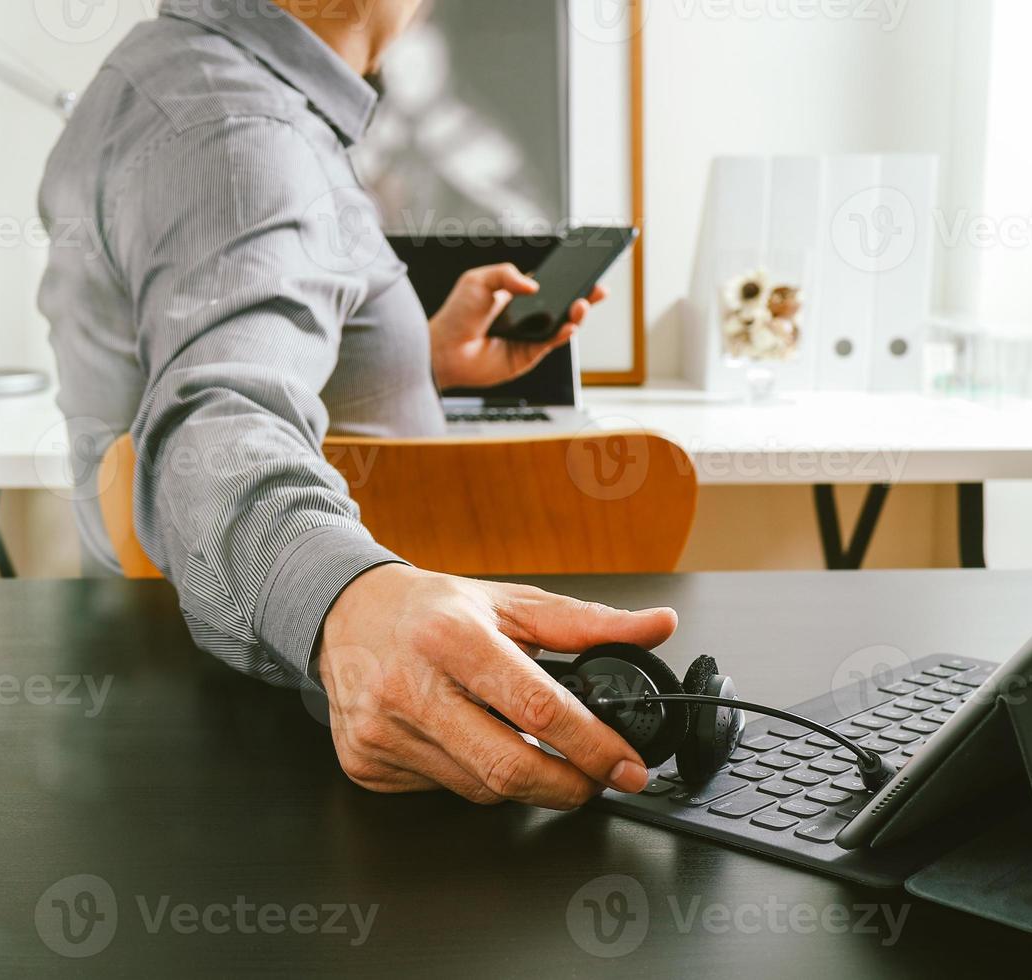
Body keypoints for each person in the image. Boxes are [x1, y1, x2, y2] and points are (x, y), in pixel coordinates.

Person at [38, 0, 678, 810]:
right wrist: (346, 597)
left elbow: (207, 351)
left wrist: (419, 366)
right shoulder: (238, 133)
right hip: (303, 731)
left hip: (189, 685)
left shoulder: (174, 76)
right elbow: (215, 422)